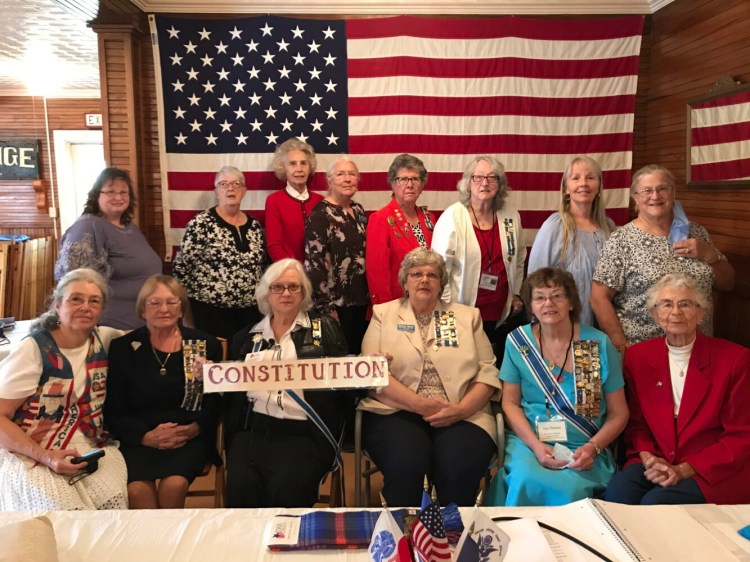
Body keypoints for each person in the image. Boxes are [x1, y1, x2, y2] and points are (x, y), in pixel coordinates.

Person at [358, 248, 501, 507]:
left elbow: (488, 372)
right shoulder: (383, 314)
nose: (424, 280)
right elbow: (372, 373)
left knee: (458, 469)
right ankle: (407, 536)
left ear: (441, 284)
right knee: (406, 464)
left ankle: (452, 537)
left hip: (462, 411)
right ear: (405, 282)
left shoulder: (468, 316)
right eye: (416, 274)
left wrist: (459, 410)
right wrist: (419, 404)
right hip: (396, 411)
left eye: (432, 275)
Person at [603, 273, 750, 505]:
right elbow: (636, 424)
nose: (676, 312)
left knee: (655, 504)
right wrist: (647, 456)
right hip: (655, 458)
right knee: (617, 497)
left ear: (701, 313)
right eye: (666, 304)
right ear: (654, 314)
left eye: (685, 304)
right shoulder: (638, 357)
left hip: (710, 468)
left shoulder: (735, 359)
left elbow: (742, 435)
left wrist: (683, 470)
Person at [489, 267, 628, 507]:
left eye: (557, 296)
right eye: (540, 297)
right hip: (531, 442)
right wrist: (536, 446)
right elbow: (510, 403)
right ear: (530, 306)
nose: (548, 303)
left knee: (572, 490)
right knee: (525, 479)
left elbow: (619, 413)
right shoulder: (518, 342)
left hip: (584, 447)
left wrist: (592, 448)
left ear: (571, 302)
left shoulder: (596, 344)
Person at [224, 259, 351, 508]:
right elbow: (230, 394)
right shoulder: (246, 337)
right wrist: (207, 373)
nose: (286, 293)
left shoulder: (325, 331)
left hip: (304, 433)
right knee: (242, 487)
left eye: (294, 287)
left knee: (287, 487)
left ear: (303, 293)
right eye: (278, 287)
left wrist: (372, 367)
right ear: (266, 294)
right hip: (253, 431)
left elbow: (347, 384)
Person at [0, 268, 128, 510]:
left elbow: (149, 341)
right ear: (58, 305)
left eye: (94, 301)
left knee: (112, 504)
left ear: (101, 310)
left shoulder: (108, 338)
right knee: (64, 512)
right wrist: (45, 456)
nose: (85, 307)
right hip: (30, 449)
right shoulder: (34, 350)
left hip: (90, 444)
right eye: (75, 299)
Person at [104, 275, 223, 509]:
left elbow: (217, 403)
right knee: (137, 490)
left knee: (174, 485)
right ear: (142, 309)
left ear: (181, 309)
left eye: (172, 302)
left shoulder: (204, 345)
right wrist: (144, 436)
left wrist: (193, 429)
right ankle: (149, 544)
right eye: (155, 303)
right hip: (139, 439)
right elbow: (114, 408)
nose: (164, 309)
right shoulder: (123, 348)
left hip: (188, 437)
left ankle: (173, 543)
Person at [591, 164, 734, 350]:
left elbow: (728, 283)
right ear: (635, 198)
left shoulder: (697, 232)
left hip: (698, 349)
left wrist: (710, 254)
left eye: (662, 189)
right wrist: (620, 345)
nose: (655, 196)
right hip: (645, 351)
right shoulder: (621, 240)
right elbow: (598, 297)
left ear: (673, 193)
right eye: (647, 190)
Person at [431, 155, 526, 347]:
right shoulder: (453, 216)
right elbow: (438, 269)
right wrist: (448, 310)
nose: (485, 183)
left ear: (499, 184)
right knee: (457, 367)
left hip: (498, 312)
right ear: (467, 183)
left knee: (490, 369)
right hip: (457, 311)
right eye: (478, 177)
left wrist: (515, 293)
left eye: (492, 177)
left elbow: (518, 258)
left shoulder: (510, 215)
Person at [55, 167, 162, 329]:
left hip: (140, 322)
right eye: (111, 192)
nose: (118, 197)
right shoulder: (88, 227)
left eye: (124, 192)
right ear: (97, 195)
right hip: (111, 326)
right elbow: (74, 282)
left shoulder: (129, 227)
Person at [172, 165, 267, 341]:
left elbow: (263, 269)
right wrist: (186, 317)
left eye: (236, 184)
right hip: (209, 313)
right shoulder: (201, 223)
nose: (230, 188)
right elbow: (181, 271)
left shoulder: (254, 226)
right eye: (224, 184)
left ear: (244, 191)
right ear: (216, 191)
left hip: (250, 315)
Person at [528, 156, 614, 326]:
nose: (584, 183)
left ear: (598, 187)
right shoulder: (554, 226)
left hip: (605, 324)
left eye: (590, 177)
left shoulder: (609, 228)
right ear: (566, 188)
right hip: (564, 324)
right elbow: (536, 281)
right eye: (576, 178)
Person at [305, 155, 369, 354]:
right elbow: (313, 264)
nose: (347, 179)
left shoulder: (358, 210)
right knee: (340, 359)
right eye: (340, 174)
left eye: (352, 174)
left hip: (361, 300)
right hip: (336, 304)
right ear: (329, 181)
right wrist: (326, 308)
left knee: (359, 355)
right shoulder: (320, 214)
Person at [366, 154, 436, 306]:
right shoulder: (381, 219)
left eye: (415, 179)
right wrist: (384, 308)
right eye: (403, 179)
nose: (409, 184)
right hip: (396, 303)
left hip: (427, 300)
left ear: (422, 185)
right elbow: (377, 273)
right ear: (392, 183)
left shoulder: (429, 217)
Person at [265, 139, 324, 262]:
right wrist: (294, 271)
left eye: (303, 163)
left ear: (310, 167)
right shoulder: (274, 201)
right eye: (292, 164)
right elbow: (274, 247)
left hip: (319, 274)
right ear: (283, 168)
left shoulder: (321, 201)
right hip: (289, 274)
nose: (299, 169)